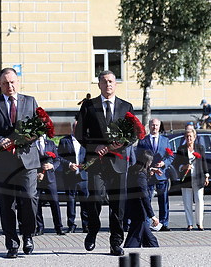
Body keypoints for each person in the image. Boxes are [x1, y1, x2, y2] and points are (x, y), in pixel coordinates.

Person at [0, 67, 41, 258]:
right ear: (0, 84)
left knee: (30, 198)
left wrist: (30, 136)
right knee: (6, 205)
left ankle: (28, 235)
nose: (10, 86)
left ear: (18, 81)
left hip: (27, 162)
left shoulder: (30, 102)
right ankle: (12, 244)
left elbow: (40, 126)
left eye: (12, 82)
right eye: (5, 83)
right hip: (3, 164)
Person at [75, 70, 134, 256]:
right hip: (96, 162)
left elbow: (133, 135)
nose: (108, 85)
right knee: (95, 199)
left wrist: (122, 143)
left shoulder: (126, 107)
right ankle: (92, 229)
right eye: (104, 82)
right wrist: (95, 146)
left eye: (111, 81)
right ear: (99, 85)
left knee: (118, 205)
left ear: (115, 84)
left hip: (118, 162)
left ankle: (116, 242)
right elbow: (80, 134)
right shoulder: (89, 106)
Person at [137, 118, 173, 231]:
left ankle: (163, 223)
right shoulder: (143, 141)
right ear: (149, 126)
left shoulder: (165, 140)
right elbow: (139, 157)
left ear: (159, 126)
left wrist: (164, 163)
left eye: (157, 125)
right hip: (149, 175)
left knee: (164, 200)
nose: (155, 127)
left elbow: (171, 156)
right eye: (153, 125)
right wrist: (148, 169)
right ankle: (147, 223)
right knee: (147, 199)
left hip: (162, 174)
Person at [173, 129, 209, 231]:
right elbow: (176, 163)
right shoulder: (181, 149)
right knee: (187, 202)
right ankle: (189, 223)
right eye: (187, 136)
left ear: (195, 137)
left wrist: (206, 175)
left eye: (191, 136)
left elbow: (204, 162)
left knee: (199, 201)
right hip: (186, 178)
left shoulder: (200, 148)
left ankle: (199, 223)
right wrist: (183, 167)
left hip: (198, 177)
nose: (189, 138)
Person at [58, 120, 89, 233]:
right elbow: (59, 157)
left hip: (83, 176)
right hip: (70, 175)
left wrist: (85, 165)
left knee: (85, 201)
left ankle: (86, 225)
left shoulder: (86, 141)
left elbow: (90, 157)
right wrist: (69, 165)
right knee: (71, 201)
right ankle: (71, 225)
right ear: (73, 128)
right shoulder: (64, 141)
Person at [124, 150, 159, 248]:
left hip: (133, 208)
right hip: (139, 211)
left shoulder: (132, 170)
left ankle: (153, 247)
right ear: (147, 162)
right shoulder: (140, 176)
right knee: (136, 237)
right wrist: (152, 216)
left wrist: (150, 171)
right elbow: (145, 198)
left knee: (147, 237)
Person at [35, 136, 65, 236]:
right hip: (38, 178)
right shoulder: (32, 144)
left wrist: (52, 166)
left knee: (55, 203)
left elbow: (57, 159)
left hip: (50, 179)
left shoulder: (50, 143)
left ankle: (59, 227)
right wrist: (37, 172)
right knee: (37, 204)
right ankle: (39, 227)